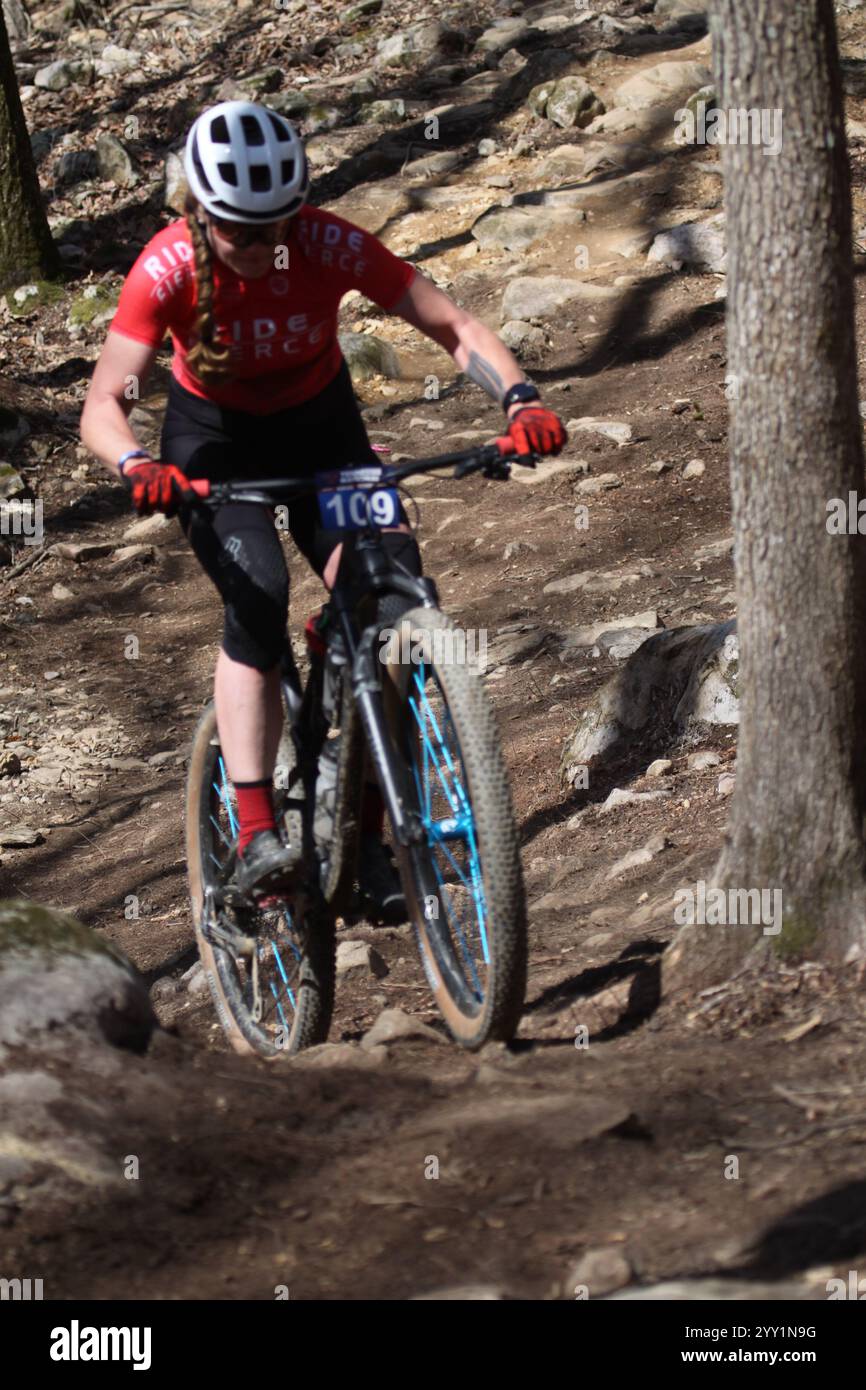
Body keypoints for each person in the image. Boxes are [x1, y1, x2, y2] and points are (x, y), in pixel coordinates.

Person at [80, 100, 567, 914]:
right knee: (259, 597)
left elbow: (454, 325)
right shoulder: (165, 271)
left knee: (390, 590)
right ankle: (256, 833)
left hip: (323, 436)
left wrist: (519, 399)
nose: (266, 247)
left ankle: (372, 838)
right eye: (243, 231)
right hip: (214, 451)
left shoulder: (329, 243)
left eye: (279, 226)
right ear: (201, 212)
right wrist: (134, 462)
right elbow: (103, 401)